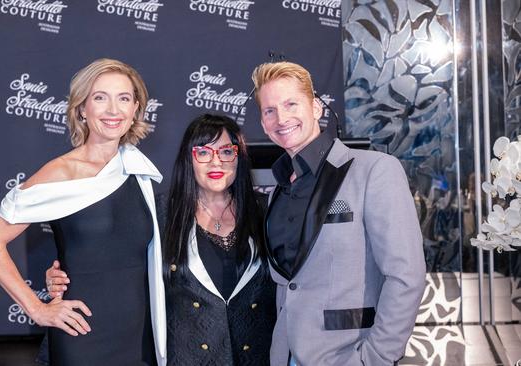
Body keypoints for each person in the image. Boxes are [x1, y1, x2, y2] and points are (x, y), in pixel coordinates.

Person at [0, 58, 166, 366]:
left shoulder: (137, 171)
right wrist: (37, 308)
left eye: (124, 98)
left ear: (135, 111)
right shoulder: (60, 172)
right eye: (100, 98)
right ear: (81, 109)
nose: (113, 110)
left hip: (142, 336)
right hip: (83, 334)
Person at [46, 114, 276, 365]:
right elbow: (114, 262)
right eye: (203, 152)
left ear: (238, 159)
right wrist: (67, 277)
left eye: (226, 152)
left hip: (258, 356)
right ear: (189, 159)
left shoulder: (267, 212)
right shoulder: (158, 215)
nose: (216, 162)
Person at [251, 61, 426, 365]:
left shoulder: (374, 170)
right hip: (285, 354)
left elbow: (406, 276)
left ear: (316, 108)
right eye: (270, 110)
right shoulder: (278, 189)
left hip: (351, 354)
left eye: (291, 103)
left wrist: (376, 358)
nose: (281, 118)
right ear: (263, 122)